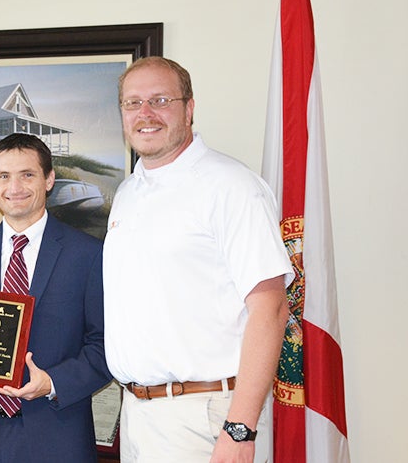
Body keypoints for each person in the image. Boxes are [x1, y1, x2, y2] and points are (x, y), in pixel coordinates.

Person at [103, 56, 293, 463]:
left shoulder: (230, 186)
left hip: (206, 417)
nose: (145, 113)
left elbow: (272, 308)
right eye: (132, 103)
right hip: (139, 415)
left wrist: (240, 429)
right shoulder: (128, 193)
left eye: (160, 100)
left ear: (189, 108)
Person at [0, 133, 111, 462]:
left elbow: (105, 345)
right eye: (4, 176)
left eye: (27, 175)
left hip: (57, 436)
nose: (14, 187)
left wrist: (52, 382)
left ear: (49, 180)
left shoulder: (88, 255)